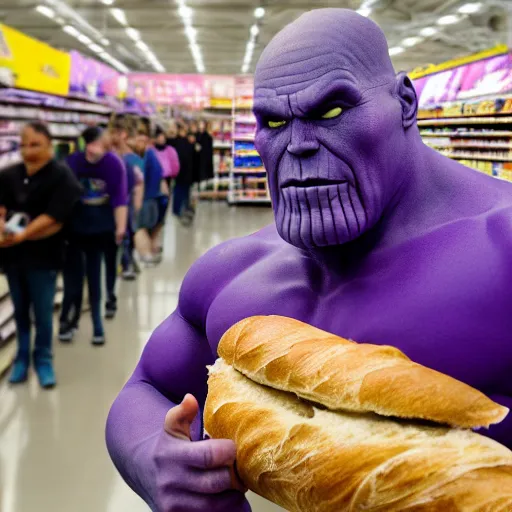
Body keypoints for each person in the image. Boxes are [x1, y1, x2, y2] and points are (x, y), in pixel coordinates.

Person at [106, 9, 512, 511]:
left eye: (331, 111)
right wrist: (153, 457)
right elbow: (146, 386)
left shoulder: (503, 250)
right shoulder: (233, 272)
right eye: (273, 121)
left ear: (406, 102)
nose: (297, 146)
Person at [0, 122, 81, 388]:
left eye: (34, 144)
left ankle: (43, 359)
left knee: (43, 312)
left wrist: (22, 235)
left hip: (44, 258)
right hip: (13, 259)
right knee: (20, 309)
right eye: (23, 144)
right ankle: (21, 358)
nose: (27, 150)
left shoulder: (62, 177)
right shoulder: (9, 174)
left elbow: (54, 217)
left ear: (49, 145)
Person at [61, 127, 128, 345]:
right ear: (87, 144)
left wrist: (120, 227)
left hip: (101, 229)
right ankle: (69, 321)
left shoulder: (113, 163)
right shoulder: (72, 162)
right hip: (74, 230)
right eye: (96, 143)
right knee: (73, 281)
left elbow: (119, 197)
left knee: (95, 278)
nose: (98, 148)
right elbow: (62, 196)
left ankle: (97, 324)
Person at [110, 115, 144, 281]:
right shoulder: (113, 156)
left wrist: (137, 206)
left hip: (126, 202)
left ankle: (127, 263)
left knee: (127, 233)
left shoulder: (133, 160)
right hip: (119, 202)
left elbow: (139, 185)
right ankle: (127, 262)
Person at [133, 122, 164, 265]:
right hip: (154, 197)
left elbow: (140, 180)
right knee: (148, 227)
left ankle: (146, 256)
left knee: (140, 228)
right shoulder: (152, 153)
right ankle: (150, 251)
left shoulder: (143, 156)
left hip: (145, 198)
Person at [152, 126, 180, 254]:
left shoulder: (170, 150)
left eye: (163, 136)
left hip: (167, 182)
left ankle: (155, 238)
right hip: (153, 183)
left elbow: (175, 167)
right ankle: (152, 240)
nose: (161, 138)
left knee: (162, 212)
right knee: (154, 213)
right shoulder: (150, 151)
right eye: (158, 136)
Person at [172, 123, 195, 224]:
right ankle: (177, 209)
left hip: (187, 172)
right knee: (179, 191)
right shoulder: (176, 142)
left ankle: (183, 208)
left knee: (185, 191)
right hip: (181, 172)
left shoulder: (186, 142)